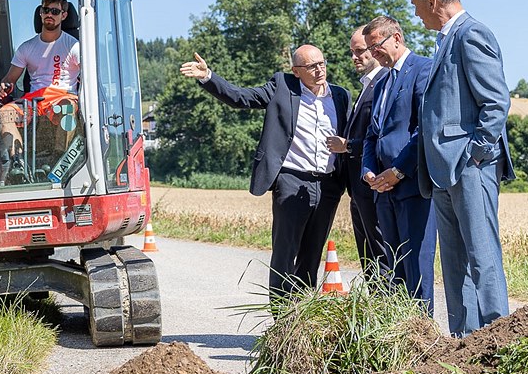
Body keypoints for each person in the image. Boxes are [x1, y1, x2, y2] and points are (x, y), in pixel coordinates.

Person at [180, 45, 350, 304]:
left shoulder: (340, 95)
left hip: (327, 185)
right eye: (311, 66)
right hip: (292, 179)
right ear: (296, 71)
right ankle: (281, 316)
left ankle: (303, 315)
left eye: (322, 63)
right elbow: (241, 97)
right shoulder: (282, 86)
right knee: (285, 252)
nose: (319, 70)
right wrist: (208, 77)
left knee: (312, 253)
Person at [410, 0, 515, 336]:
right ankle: (464, 343)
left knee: (482, 258)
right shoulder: (444, 39)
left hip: (470, 166)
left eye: (416, 5)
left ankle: (497, 340)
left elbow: (496, 102)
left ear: (432, 0)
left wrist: (476, 154)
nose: (415, 13)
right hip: (442, 169)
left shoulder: (472, 34)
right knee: (454, 265)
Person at [356, 16, 437, 313]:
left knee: (416, 266)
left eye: (375, 46)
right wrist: (368, 170)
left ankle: (421, 338)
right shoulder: (382, 82)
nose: (371, 54)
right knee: (392, 267)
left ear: (397, 39)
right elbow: (371, 134)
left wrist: (399, 170)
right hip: (382, 190)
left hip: (412, 186)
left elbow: (424, 130)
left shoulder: (424, 70)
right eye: (369, 48)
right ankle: (398, 336)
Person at [0, 0, 80, 178]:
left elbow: (89, 75)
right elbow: (10, 79)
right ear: (40, 13)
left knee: (66, 108)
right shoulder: (27, 48)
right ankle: (18, 163)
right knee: (5, 113)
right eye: (45, 10)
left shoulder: (74, 46)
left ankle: (58, 162)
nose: (49, 14)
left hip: (63, 97)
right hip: (35, 102)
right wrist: (5, 86)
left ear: (64, 15)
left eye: (55, 11)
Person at [325, 27, 388, 277]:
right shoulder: (366, 86)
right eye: (352, 52)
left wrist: (348, 145)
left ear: (375, 49)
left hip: (373, 185)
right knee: (368, 257)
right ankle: (375, 307)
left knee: (380, 254)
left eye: (360, 51)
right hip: (357, 188)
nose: (355, 57)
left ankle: (387, 308)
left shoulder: (384, 82)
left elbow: (382, 137)